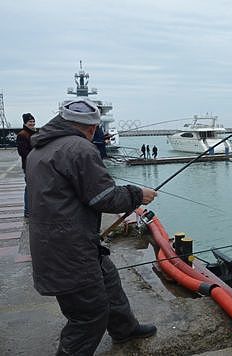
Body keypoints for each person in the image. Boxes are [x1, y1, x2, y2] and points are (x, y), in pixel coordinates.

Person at [26, 98, 158, 355]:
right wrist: (137, 194)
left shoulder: (40, 149)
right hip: (69, 246)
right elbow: (103, 197)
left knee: (108, 278)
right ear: (92, 127)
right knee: (89, 315)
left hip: (58, 240)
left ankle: (124, 329)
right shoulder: (80, 149)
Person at [16, 113, 36, 217]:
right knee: (29, 188)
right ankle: (27, 210)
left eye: (33, 121)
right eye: (30, 122)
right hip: (29, 165)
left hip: (36, 164)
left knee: (36, 187)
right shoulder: (22, 134)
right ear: (25, 123)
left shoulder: (35, 133)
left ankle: (33, 209)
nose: (32, 123)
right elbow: (22, 152)